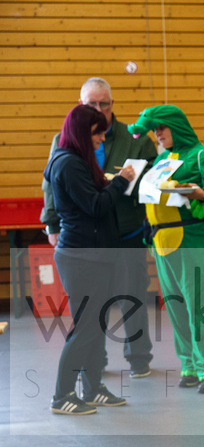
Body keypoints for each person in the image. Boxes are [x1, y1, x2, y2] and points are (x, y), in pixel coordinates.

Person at [41, 77, 157, 379]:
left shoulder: (136, 138)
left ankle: (139, 358)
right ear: (80, 105)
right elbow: (50, 184)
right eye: (92, 104)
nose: (99, 109)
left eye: (104, 104)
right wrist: (51, 222)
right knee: (93, 306)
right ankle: (94, 363)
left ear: (112, 104)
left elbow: (154, 180)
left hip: (127, 231)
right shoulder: (62, 140)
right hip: (87, 237)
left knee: (132, 296)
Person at [128, 105, 204, 394]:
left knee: (203, 305)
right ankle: (190, 363)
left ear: (177, 127)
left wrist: (202, 194)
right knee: (175, 306)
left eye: (162, 128)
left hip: (197, 242)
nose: (157, 134)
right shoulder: (162, 160)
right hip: (163, 244)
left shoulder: (203, 157)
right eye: (155, 130)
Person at [44, 105, 137, 415]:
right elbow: (95, 207)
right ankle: (62, 395)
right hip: (82, 257)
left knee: (96, 326)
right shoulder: (68, 164)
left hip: (94, 255)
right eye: (97, 133)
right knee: (85, 327)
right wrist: (121, 181)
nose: (101, 138)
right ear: (84, 134)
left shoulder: (77, 161)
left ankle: (93, 387)